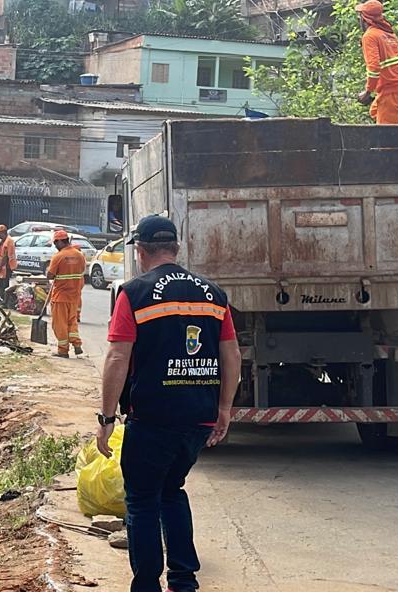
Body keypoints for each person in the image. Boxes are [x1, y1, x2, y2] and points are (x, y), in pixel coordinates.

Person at [97, 214, 242, 592]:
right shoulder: (214, 294)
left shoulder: (135, 292)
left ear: (142, 251)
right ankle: (183, 580)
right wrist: (224, 409)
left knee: (143, 499)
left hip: (153, 418)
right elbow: (232, 356)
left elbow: (117, 358)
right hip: (197, 418)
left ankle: (147, 584)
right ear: (176, 249)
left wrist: (106, 417)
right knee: (172, 490)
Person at [355, 0, 398, 125]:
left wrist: (367, 92)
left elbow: (374, 68)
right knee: (376, 111)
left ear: (365, 18)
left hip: (394, 88)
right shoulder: (388, 34)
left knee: (385, 135)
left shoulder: (369, 36)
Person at [46, 230, 86, 358]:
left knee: (60, 324)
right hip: (74, 296)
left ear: (60, 241)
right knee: (71, 321)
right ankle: (77, 344)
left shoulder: (58, 257)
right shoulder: (79, 255)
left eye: (55, 243)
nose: (55, 246)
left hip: (60, 296)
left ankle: (63, 350)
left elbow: (50, 275)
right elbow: (82, 271)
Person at [0, 225, 18, 304]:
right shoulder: (2, 241)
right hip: (2, 266)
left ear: (3, 232)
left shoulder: (9, 241)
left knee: (4, 285)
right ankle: (2, 299)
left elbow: (5, 257)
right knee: (0, 283)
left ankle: (5, 302)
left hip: (7, 266)